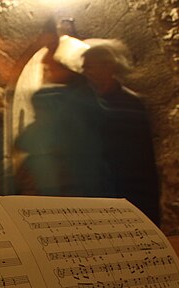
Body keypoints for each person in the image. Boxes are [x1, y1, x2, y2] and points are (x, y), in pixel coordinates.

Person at [14, 35, 110, 199]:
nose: (46, 66)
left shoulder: (57, 101)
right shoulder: (90, 98)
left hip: (61, 188)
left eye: (52, 66)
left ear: (67, 66)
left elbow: (31, 140)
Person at [81, 39, 161, 225]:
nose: (84, 73)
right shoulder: (88, 104)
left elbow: (141, 158)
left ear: (108, 67)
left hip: (129, 193)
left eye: (89, 67)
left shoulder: (131, 104)